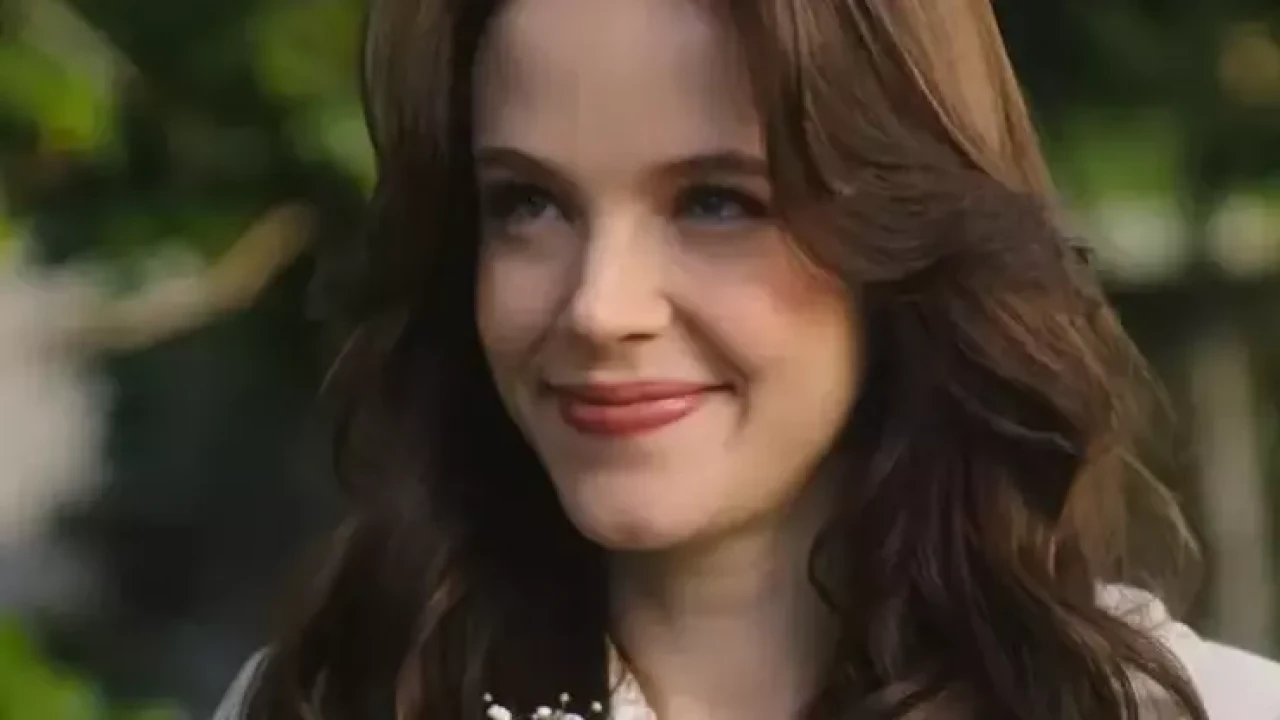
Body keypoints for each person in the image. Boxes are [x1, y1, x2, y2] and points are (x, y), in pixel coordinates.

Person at [215, 0, 1280, 717]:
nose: (599, 308)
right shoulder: (318, 701)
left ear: (902, 238)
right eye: (528, 203)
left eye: (716, 203)